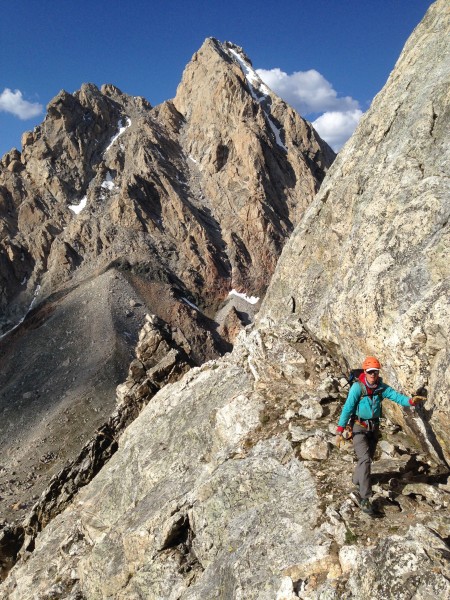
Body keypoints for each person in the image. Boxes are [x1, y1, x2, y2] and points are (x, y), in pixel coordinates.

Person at [335, 356, 417, 516]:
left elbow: (396, 397)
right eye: (370, 372)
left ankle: (357, 480)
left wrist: (411, 401)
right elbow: (347, 408)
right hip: (359, 427)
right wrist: (339, 431)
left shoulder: (381, 387)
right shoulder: (358, 388)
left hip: (374, 429)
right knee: (365, 459)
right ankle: (365, 498)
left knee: (367, 459)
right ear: (365, 372)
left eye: (375, 372)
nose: (373, 375)